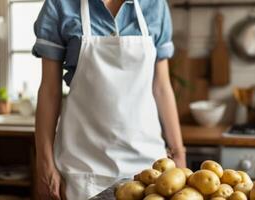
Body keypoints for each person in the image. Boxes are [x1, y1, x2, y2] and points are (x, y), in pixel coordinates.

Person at [32, 0, 186, 199]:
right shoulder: (60, 5)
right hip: (82, 171)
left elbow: (162, 87)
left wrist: (179, 153)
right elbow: (49, 91)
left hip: (150, 169)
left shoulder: (154, 5)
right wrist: (44, 163)